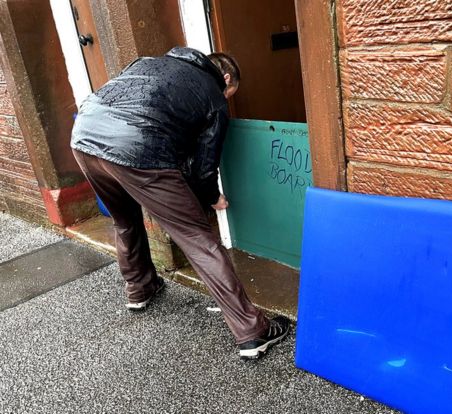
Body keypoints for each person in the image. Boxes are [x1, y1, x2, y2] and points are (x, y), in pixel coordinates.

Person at [70, 46, 289, 360]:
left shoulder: (147, 63)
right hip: (139, 149)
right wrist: (212, 197)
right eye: (230, 93)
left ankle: (140, 288)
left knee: (125, 219)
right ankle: (253, 332)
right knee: (198, 239)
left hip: (85, 137)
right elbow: (204, 166)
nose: (226, 98)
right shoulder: (212, 95)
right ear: (225, 78)